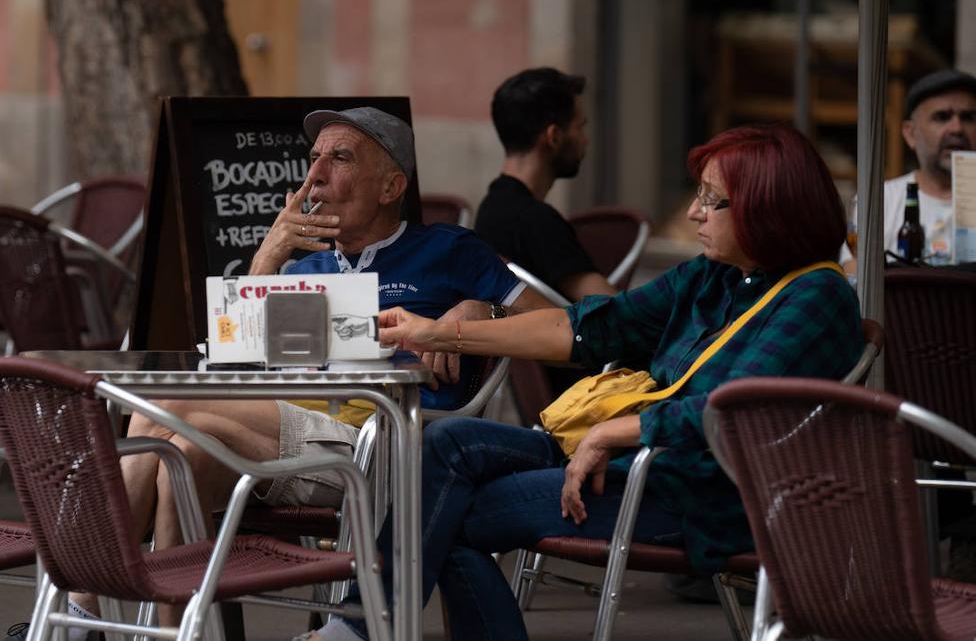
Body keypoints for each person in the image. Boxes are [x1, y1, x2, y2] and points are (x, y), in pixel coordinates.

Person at [302, 125, 864, 641]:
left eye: (712, 200)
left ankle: (359, 628)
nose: (693, 212)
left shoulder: (816, 295)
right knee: (447, 444)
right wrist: (442, 333)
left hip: (695, 488)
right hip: (623, 455)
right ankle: (361, 627)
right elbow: (590, 326)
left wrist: (614, 433)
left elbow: (729, 409)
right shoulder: (714, 275)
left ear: (768, 207)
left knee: (448, 514)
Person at [55, 107, 548, 637]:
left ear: (390, 186)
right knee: (182, 457)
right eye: (313, 159)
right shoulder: (304, 266)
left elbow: (552, 319)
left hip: (385, 449)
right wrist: (266, 258)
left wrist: (482, 311)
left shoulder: (448, 249)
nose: (314, 175)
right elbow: (234, 364)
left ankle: (78, 610)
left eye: (338, 158)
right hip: (294, 441)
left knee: (169, 405)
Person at [476, 67, 615, 301]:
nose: (585, 139)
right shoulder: (538, 222)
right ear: (554, 137)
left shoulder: (489, 209)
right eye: (580, 127)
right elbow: (616, 313)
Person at [841, 69, 976, 269]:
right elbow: (852, 269)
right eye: (942, 117)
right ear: (911, 134)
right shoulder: (879, 201)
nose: (957, 128)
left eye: (968, 117)